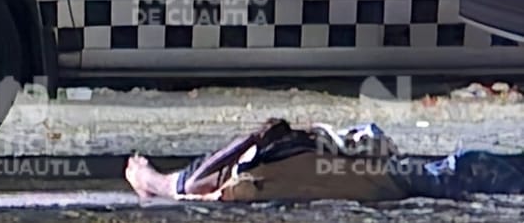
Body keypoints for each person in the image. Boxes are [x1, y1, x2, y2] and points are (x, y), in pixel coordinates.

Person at [125, 118, 524, 201]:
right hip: (401, 179)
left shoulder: (258, 167)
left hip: (396, 175)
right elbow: (186, 185)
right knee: (469, 166)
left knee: (470, 165)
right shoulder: (240, 183)